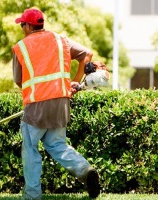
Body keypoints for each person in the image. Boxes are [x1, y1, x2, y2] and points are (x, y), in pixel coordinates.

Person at [12, 7, 101, 200]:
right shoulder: (61, 40)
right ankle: (86, 171)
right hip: (61, 103)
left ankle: (32, 196)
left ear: (28, 26)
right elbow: (87, 54)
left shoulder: (21, 47)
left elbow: (19, 81)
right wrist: (72, 83)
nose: (21, 28)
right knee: (57, 144)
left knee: (30, 149)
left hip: (36, 107)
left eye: (22, 24)